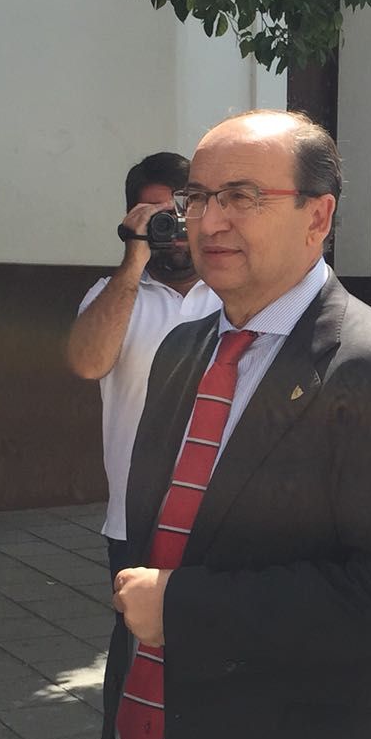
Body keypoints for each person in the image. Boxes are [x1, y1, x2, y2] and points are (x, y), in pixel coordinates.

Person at [100, 110, 371, 739]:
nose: (209, 222)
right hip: (153, 714)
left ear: (317, 217)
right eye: (198, 198)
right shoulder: (181, 349)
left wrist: (183, 610)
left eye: (241, 197)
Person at [67, 151, 219, 577]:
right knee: (139, 622)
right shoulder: (111, 295)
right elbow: (88, 364)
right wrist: (134, 258)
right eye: (157, 214)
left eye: (184, 209)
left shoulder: (238, 296)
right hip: (138, 519)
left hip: (225, 516)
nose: (175, 227)